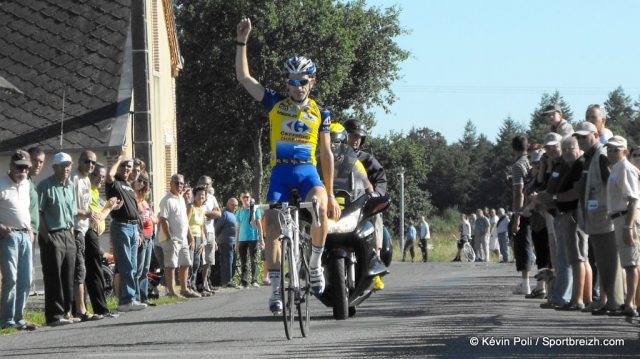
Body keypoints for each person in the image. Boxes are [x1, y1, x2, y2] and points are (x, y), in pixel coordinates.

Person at [236, 17, 341, 313]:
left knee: (319, 208)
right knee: (271, 227)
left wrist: (331, 194)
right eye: (292, 82)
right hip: (281, 172)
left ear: (312, 82)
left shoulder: (321, 112)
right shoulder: (274, 103)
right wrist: (242, 41)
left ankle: (315, 265)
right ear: (287, 83)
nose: (297, 87)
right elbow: (245, 78)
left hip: (307, 172)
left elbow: (326, 153)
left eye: (303, 81)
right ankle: (276, 289)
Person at [573, 122, 624, 315]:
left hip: (605, 219)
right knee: (603, 263)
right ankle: (609, 300)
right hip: (595, 220)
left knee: (611, 262)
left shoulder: (601, 156)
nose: (581, 141)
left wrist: (611, 210)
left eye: (584, 137)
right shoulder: (589, 157)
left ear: (595, 135)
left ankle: (616, 302)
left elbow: (611, 184)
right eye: (578, 137)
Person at [37, 152, 78, 325]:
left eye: (68, 165)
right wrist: (47, 237)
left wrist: (72, 234)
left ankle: (66, 312)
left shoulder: (70, 187)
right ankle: (54, 316)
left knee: (68, 276)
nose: (66, 168)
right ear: (55, 167)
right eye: (62, 165)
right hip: (52, 234)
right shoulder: (44, 186)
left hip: (68, 234)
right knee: (54, 277)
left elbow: (73, 213)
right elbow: (37, 214)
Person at [0, 150, 36, 330]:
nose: (23, 171)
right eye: (20, 167)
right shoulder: (1, 184)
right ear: (11, 166)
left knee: (26, 278)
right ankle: (6, 320)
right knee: (11, 278)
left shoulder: (27, 184)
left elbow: (25, 209)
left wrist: (30, 228)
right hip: (9, 236)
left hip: (25, 236)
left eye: (27, 167)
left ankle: (19, 318)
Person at [105, 157, 147, 311]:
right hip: (121, 226)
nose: (127, 169)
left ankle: (130, 298)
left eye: (129, 166)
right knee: (126, 265)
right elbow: (109, 175)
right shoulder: (114, 182)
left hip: (133, 228)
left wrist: (139, 230)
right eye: (124, 166)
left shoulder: (128, 186)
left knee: (133, 265)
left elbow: (135, 211)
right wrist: (119, 160)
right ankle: (126, 300)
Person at [605, 136, 640, 317]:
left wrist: (629, 226)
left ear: (624, 151)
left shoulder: (625, 169)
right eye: (609, 149)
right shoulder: (616, 169)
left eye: (615, 150)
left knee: (631, 263)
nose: (611, 153)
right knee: (628, 262)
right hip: (619, 218)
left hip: (626, 218)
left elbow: (633, 199)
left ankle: (630, 304)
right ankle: (631, 302)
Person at [158, 174, 200, 299]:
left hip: (182, 239)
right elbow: (163, 219)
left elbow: (184, 221)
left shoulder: (181, 199)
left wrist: (190, 237)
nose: (179, 185)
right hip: (171, 239)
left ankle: (184, 289)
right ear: (170, 183)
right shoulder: (166, 200)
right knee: (171, 265)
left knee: (186, 263)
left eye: (181, 183)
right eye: (176, 183)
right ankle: (171, 291)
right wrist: (169, 236)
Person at [86, 163, 119, 318]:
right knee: (94, 272)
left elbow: (100, 214)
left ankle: (96, 309)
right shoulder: (87, 190)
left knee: (93, 272)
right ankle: (100, 309)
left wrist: (110, 206)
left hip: (93, 233)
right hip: (87, 233)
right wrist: (110, 208)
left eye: (103, 177)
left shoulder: (95, 192)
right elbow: (96, 218)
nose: (100, 179)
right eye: (98, 176)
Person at [71, 150, 101, 321]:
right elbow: (72, 207)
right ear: (79, 161)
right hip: (75, 229)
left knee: (83, 269)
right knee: (79, 269)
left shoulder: (87, 181)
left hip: (84, 229)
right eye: (87, 161)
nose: (90, 165)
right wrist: (89, 214)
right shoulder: (74, 178)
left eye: (93, 163)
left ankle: (82, 308)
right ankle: (80, 310)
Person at [511, 136, 534, 296]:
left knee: (522, 244)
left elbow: (519, 192)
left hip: (524, 208)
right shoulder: (532, 161)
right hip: (535, 207)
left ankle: (525, 282)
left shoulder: (518, 165)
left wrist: (517, 215)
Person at [134, 172, 157, 304]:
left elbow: (155, 218)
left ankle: (143, 296)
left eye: (145, 184)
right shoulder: (135, 200)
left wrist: (150, 217)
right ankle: (137, 297)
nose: (143, 186)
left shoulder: (144, 202)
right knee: (139, 268)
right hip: (142, 236)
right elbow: (139, 217)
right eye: (140, 182)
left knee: (146, 269)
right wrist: (144, 217)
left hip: (149, 236)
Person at [196, 175, 220, 293]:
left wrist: (206, 213)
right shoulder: (196, 195)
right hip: (199, 231)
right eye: (203, 183)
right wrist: (209, 214)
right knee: (199, 260)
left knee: (208, 260)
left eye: (208, 184)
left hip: (210, 231)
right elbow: (196, 212)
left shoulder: (211, 198)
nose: (205, 186)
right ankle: (196, 284)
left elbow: (219, 213)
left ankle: (205, 283)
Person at [235, 192, 264, 288]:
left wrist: (261, 239)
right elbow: (237, 227)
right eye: (243, 197)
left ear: (250, 198)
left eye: (247, 197)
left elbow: (259, 224)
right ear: (240, 199)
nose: (245, 199)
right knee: (244, 261)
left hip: (253, 237)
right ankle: (244, 282)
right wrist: (236, 242)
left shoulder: (255, 210)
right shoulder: (239, 212)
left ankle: (254, 280)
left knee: (254, 260)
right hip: (242, 239)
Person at [27, 147, 45, 296]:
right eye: (35, 160)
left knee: (28, 271)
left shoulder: (31, 182)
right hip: (23, 232)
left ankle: (20, 315)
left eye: (41, 162)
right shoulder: (21, 181)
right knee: (22, 274)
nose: (38, 164)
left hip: (33, 232)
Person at [187, 185, 208, 295]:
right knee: (192, 263)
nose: (201, 197)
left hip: (200, 237)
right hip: (191, 237)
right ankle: (189, 286)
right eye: (199, 194)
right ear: (194, 196)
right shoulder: (191, 207)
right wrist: (191, 239)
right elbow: (186, 224)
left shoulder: (203, 209)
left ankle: (196, 286)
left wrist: (204, 241)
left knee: (198, 263)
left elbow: (202, 226)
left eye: (203, 195)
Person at [215, 198, 238, 288]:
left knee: (233, 262)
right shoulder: (225, 214)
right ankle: (226, 281)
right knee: (227, 261)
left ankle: (230, 280)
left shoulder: (235, 214)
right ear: (228, 204)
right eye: (232, 205)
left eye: (236, 205)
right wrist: (216, 239)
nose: (234, 207)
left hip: (234, 242)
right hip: (225, 242)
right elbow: (217, 228)